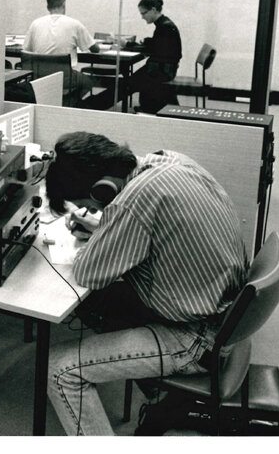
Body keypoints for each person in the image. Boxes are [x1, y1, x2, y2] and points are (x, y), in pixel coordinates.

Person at [43, 132, 249, 436]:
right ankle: (163, 397)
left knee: (58, 370)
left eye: (87, 205)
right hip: (224, 316)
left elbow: (88, 272)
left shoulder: (132, 202)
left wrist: (103, 234)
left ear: (102, 191)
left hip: (195, 338)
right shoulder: (169, 161)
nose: (95, 211)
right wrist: (106, 228)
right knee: (98, 303)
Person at [22, 0, 101, 104]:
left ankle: (55, 102)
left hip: (39, 78)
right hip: (66, 79)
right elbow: (95, 49)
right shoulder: (74, 24)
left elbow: (26, 50)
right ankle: (69, 103)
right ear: (64, 4)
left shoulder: (35, 24)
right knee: (88, 82)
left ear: (47, 7)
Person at [124, 0, 182, 114]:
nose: (142, 17)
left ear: (153, 10)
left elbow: (156, 50)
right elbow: (159, 46)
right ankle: (148, 108)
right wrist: (148, 42)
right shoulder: (164, 25)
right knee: (129, 83)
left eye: (143, 13)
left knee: (126, 85)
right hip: (162, 68)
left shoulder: (165, 27)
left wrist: (130, 45)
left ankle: (91, 105)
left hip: (160, 71)